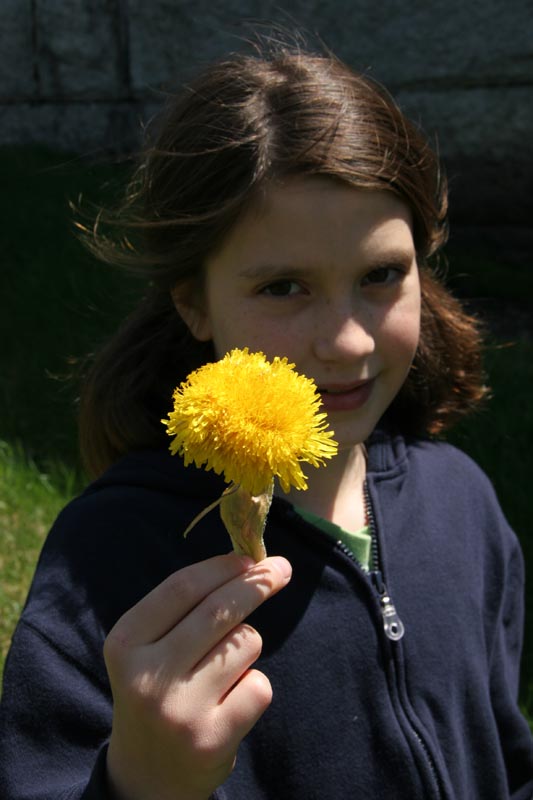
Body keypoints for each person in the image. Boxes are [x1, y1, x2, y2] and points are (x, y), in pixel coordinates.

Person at [1, 41, 532, 800]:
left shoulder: (462, 503)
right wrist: (139, 784)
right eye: (284, 287)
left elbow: (504, 753)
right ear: (193, 300)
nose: (345, 339)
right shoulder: (110, 556)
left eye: (381, 275)